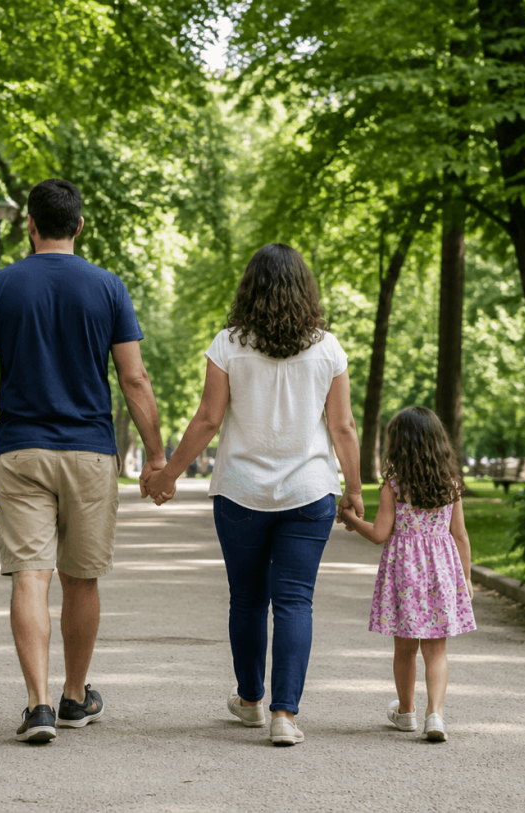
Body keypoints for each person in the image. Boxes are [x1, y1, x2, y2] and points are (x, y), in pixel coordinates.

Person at [0, 179, 168, 743]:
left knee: (30, 576)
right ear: (79, 226)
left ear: (29, 224)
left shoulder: (0, 286)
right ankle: (76, 696)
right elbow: (134, 378)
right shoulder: (108, 287)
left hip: (20, 450)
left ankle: (38, 705)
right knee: (82, 578)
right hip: (89, 452)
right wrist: (157, 456)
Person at [145, 243, 363, 746]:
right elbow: (343, 427)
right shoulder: (328, 348)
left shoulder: (228, 344)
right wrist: (352, 489)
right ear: (305, 290)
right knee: (294, 601)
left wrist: (168, 475)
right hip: (309, 493)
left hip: (241, 493)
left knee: (246, 599)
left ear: (250, 288)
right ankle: (285, 715)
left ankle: (250, 702)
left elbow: (207, 419)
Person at [337, 406, 475, 742]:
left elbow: (380, 534)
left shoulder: (394, 486)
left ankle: (406, 711)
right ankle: (436, 716)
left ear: (399, 445)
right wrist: (466, 579)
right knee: (436, 650)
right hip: (441, 572)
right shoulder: (452, 485)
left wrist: (350, 519)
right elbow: (460, 536)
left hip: (405, 575)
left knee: (404, 648)